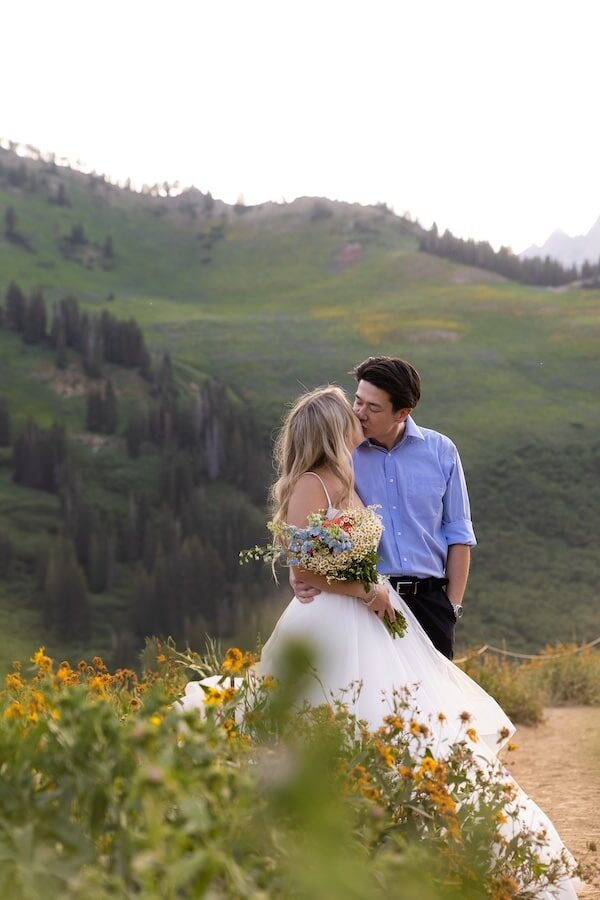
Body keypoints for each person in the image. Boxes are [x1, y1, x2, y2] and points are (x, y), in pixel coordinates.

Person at [253, 385, 580, 899]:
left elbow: (442, 533)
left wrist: (380, 593)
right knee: (346, 720)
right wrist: (366, 590)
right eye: (349, 412)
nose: (357, 417)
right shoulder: (311, 482)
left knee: (412, 722)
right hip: (335, 622)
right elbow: (306, 566)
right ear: (329, 430)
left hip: (376, 616)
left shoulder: (346, 472)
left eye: (365, 408)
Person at [292, 356, 473, 660]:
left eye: (373, 408)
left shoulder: (442, 451)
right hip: (365, 602)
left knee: (433, 705)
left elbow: (458, 534)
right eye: (358, 401)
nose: (359, 413)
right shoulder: (341, 456)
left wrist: (450, 608)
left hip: (430, 604)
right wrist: (300, 571)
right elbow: (306, 514)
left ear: (402, 413)